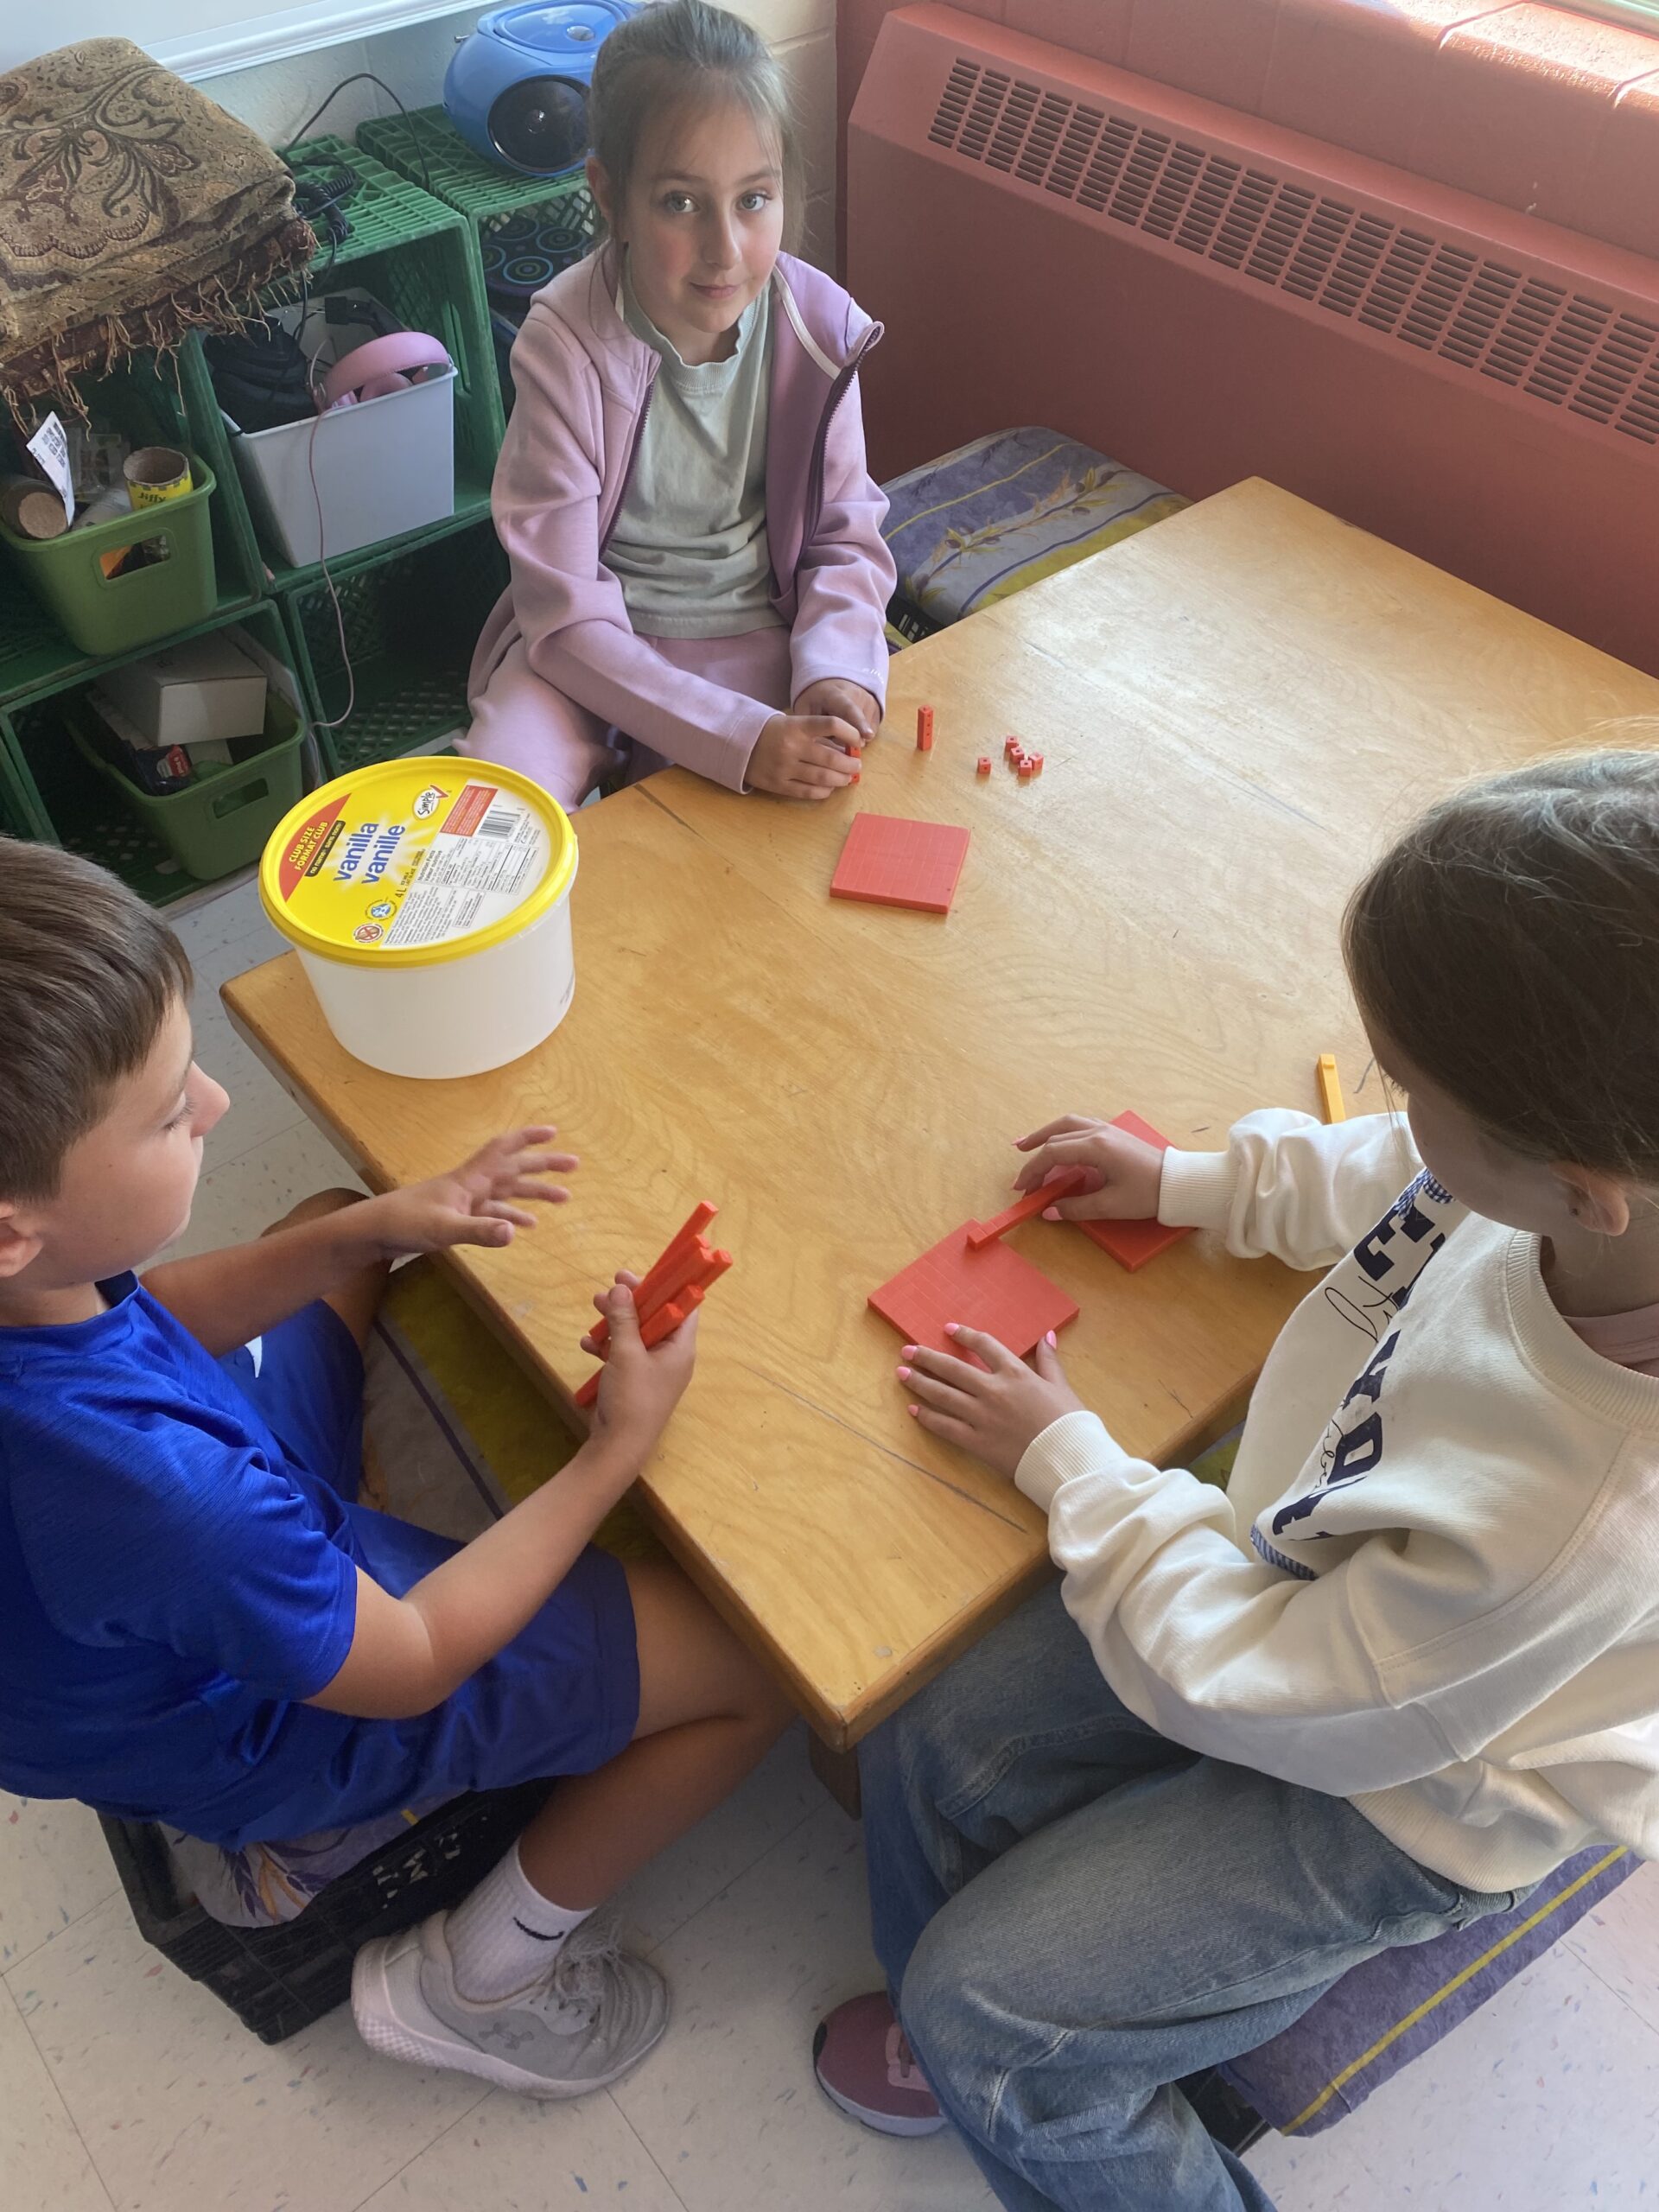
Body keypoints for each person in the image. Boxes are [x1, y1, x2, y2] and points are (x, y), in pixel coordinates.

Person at [812, 749, 1659, 2209]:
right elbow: (1407, 1172)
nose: (1398, 1105)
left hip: (1415, 1787)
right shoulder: (1582, 1179)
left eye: (1413, 1082)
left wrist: (1073, 1462)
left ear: (1585, 1191)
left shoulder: (1583, 1514)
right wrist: (1195, 1185)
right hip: (1326, 1597)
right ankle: (1022, 2027)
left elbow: (1265, 1691)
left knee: (987, 2015)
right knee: (933, 1733)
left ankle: (1017, 2055)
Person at [0, 837, 791, 2100]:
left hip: (170, 1561)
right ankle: (483, 1979)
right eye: (166, 1112)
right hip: (259, 1721)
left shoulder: (34, 1293)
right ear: (12, 1231)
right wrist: (615, 1451)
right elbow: (413, 1662)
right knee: (758, 1667)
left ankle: (346, 1328)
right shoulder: (162, 1497)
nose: (215, 1104)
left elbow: (146, 1320)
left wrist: (373, 1230)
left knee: (330, 1222)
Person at [463, 0, 897, 810]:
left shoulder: (820, 332)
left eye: (753, 199)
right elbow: (561, 614)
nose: (725, 251)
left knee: (783, 826)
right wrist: (735, 737)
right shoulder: (564, 346)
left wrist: (837, 670)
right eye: (679, 202)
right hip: (582, 651)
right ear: (610, 196)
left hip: (755, 631)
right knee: (498, 815)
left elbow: (845, 540)